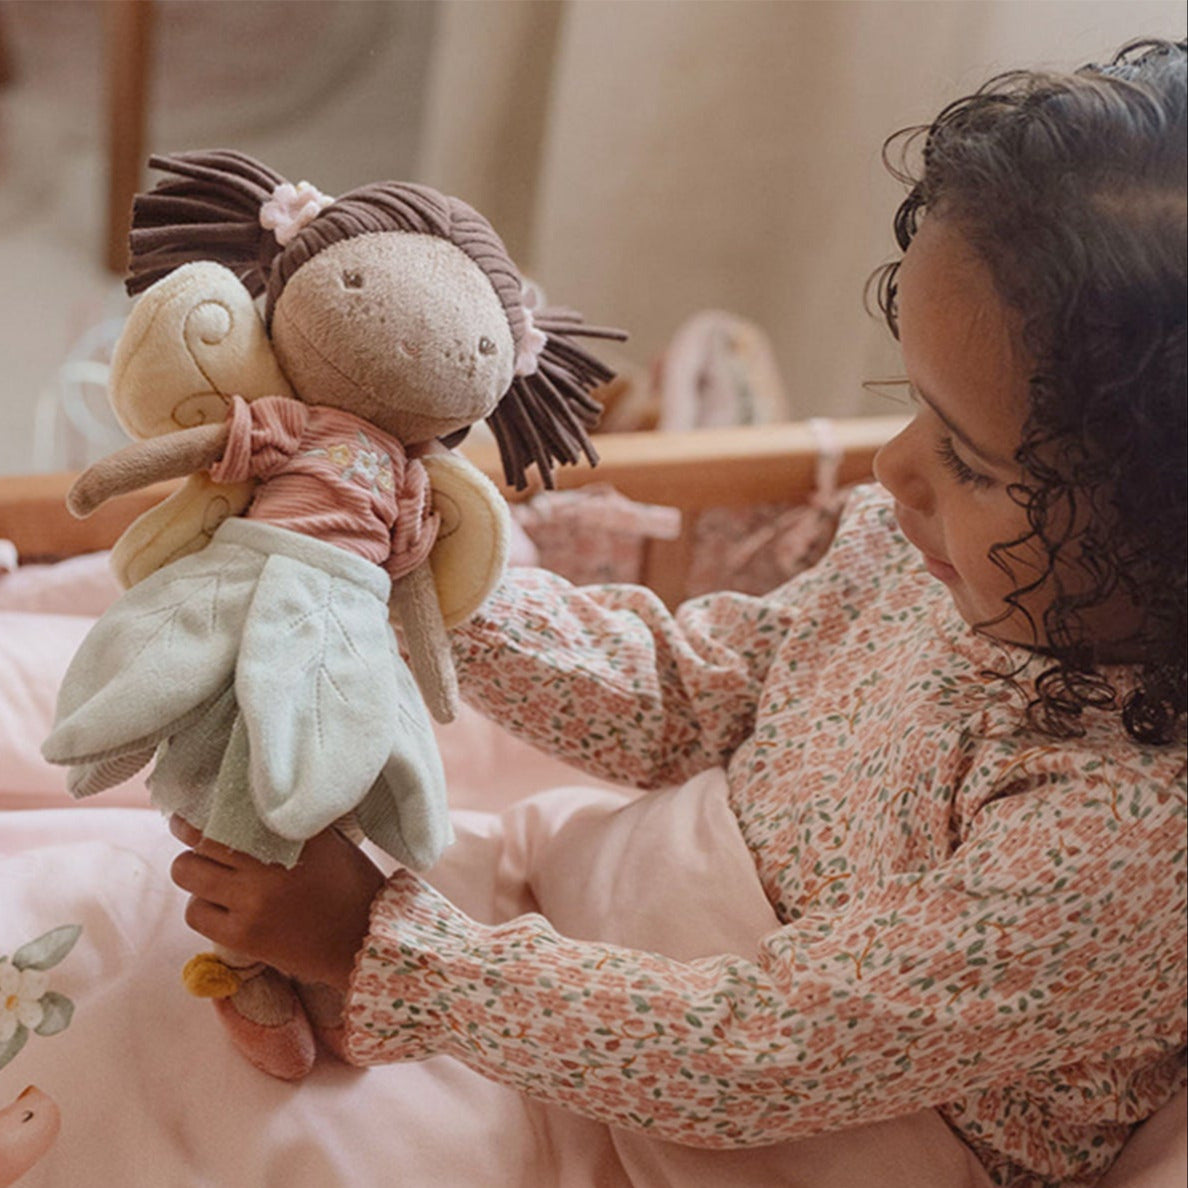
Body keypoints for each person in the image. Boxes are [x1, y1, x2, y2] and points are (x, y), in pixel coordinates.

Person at [169, 38, 1187, 1187]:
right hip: (612, 933)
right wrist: (446, 583)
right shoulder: (943, 560)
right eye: (914, 410)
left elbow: (770, 1049)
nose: (894, 470)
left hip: (789, 1122)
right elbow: (701, 701)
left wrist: (387, 954)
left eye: (973, 459)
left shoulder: (1120, 848)